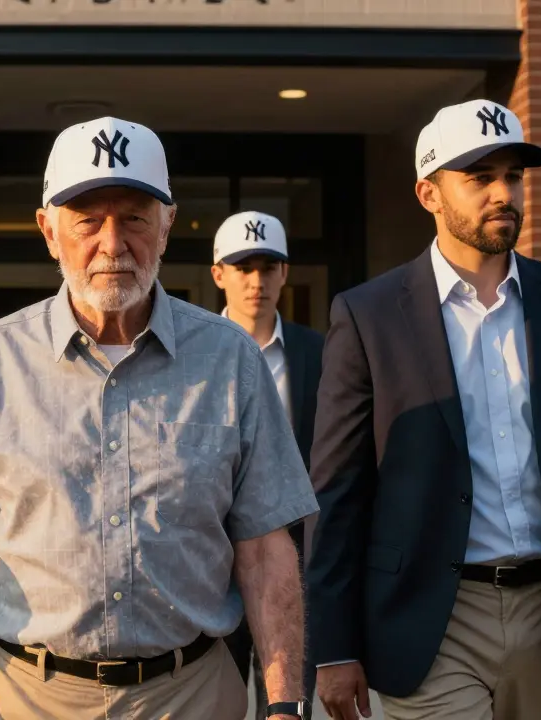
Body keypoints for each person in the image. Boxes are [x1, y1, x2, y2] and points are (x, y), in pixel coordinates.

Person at [0, 116, 318, 720]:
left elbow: (264, 550)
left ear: (168, 227)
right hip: (25, 699)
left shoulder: (231, 362)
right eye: (88, 220)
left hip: (191, 696)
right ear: (49, 230)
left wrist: (284, 704)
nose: (113, 244)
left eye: (135, 218)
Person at [305, 99, 541, 720]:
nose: (502, 193)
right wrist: (332, 644)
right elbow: (338, 491)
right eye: (478, 178)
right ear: (429, 193)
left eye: (512, 176)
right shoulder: (367, 316)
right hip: (429, 617)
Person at [212, 210, 324, 718]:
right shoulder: (190, 352)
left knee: (287, 702)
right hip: (212, 559)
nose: (256, 281)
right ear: (219, 274)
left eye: (267, 267)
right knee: (219, 701)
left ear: (284, 273)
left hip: (296, 557)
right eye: (242, 267)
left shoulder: (320, 353)